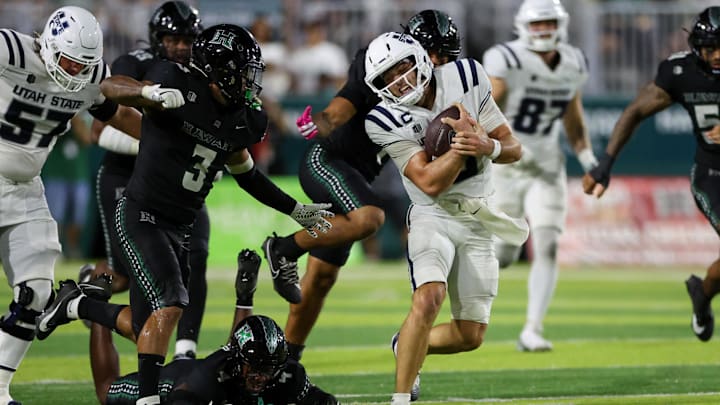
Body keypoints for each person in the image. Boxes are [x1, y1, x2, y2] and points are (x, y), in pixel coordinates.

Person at [38, 24, 333, 405]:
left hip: (181, 224)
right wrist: (146, 93)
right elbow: (109, 87)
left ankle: (76, 304)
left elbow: (248, 176)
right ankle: (147, 399)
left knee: (148, 325)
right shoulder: (172, 80)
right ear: (219, 69)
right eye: (242, 72)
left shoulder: (242, 118)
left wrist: (294, 209)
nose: (249, 82)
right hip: (142, 212)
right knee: (172, 301)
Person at [263, 12, 462, 373]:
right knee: (370, 218)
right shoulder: (380, 63)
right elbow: (345, 102)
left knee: (321, 277)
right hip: (330, 160)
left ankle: (287, 362)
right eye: (436, 54)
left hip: (360, 177)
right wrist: (322, 121)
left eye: (448, 57)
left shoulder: (445, 92)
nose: (441, 64)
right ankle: (283, 247)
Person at [363, 32, 525, 405]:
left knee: (470, 336)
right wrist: (462, 145)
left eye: (402, 67)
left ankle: (406, 344)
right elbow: (428, 182)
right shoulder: (383, 119)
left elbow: (513, 148)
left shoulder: (467, 76)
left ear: (421, 60)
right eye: (387, 77)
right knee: (428, 297)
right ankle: (401, 398)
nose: (399, 81)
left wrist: (488, 145)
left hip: (478, 216)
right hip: (432, 216)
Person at [0, 6, 144, 404]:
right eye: (68, 60)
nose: (75, 72)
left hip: (26, 185)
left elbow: (117, 115)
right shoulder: (11, 50)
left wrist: (171, 145)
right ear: (47, 44)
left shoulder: (90, 78)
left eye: (84, 65)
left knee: (36, 294)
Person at [36, 250, 339, 404]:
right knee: (106, 393)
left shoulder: (286, 374)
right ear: (237, 361)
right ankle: (97, 299)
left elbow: (325, 401)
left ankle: (244, 296)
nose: (261, 375)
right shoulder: (207, 379)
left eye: (268, 366)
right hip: (175, 383)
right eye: (256, 366)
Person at [583, 6, 720, 343]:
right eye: (711, 48)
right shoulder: (679, 72)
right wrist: (605, 164)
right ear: (696, 47)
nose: (718, 56)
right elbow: (634, 112)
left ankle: (703, 294)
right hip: (713, 173)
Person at [85, 0, 209, 361]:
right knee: (124, 276)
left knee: (197, 253)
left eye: (188, 39)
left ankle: (186, 351)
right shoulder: (136, 64)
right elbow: (98, 131)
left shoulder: (199, 72)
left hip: (176, 184)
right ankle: (85, 293)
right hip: (127, 177)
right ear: (158, 37)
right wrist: (161, 146)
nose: (183, 46)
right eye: (174, 38)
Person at [481, 0, 596, 352]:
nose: (544, 30)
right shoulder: (507, 59)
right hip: (506, 166)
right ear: (523, 27)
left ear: (560, 24)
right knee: (504, 253)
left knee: (547, 245)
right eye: (537, 24)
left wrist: (589, 159)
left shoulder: (573, 62)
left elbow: (572, 116)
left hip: (547, 166)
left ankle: (532, 328)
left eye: (549, 22)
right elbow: (483, 108)